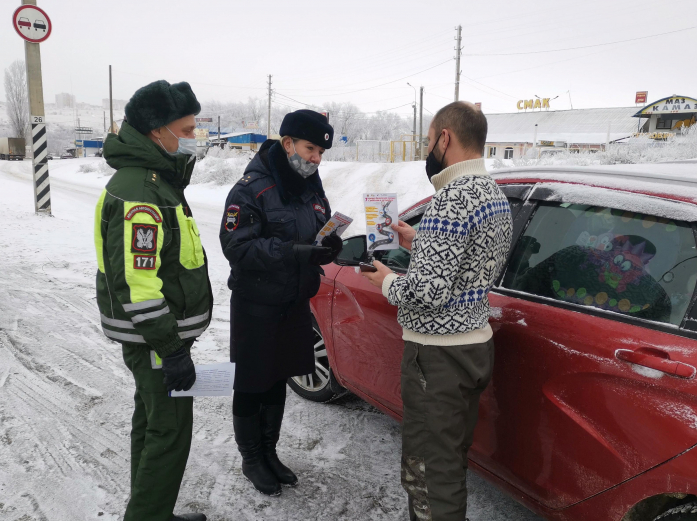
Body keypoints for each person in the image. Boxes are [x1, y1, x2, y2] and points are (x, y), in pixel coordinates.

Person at [361, 102, 513, 521]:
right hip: (474, 347)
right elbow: (469, 263)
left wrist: (386, 281)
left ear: (445, 138)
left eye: (429, 140)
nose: (428, 148)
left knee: (430, 470)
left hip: (437, 357)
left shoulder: (451, 200)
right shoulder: (493, 195)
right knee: (450, 456)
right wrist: (421, 241)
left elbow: (428, 293)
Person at [95, 80, 211, 521]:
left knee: (151, 422)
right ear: (155, 132)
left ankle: (151, 510)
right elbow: (138, 286)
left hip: (157, 337)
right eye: (186, 129)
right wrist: (173, 348)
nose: (193, 137)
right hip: (155, 339)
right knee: (170, 431)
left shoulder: (157, 181)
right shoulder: (140, 193)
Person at [219, 110, 343, 496]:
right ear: (287, 143)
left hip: (293, 302)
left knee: (278, 378)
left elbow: (314, 231)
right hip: (257, 304)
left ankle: (270, 452)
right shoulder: (251, 188)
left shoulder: (309, 185)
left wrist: (327, 246)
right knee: (252, 382)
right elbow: (236, 246)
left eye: (321, 152)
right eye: (310, 149)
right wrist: (293, 251)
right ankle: (251, 457)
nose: (316, 159)